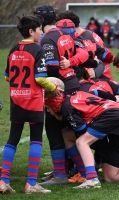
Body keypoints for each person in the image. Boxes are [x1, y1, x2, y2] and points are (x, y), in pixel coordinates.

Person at [0, 15, 63, 194]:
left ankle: (3, 181)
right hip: (33, 101)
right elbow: (40, 78)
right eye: (40, 29)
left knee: (12, 139)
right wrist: (54, 88)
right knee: (36, 139)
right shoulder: (38, 49)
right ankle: (31, 184)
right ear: (31, 31)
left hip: (17, 100)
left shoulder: (13, 49)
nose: (42, 33)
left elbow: (7, 76)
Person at [33, 4, 94, 186]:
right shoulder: (66, 34)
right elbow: (87, 55)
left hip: (59, 88)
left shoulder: (48, 38)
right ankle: (77, 170)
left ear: (41, 21)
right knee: (69, 130)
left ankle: (62, 173)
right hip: (73, 84)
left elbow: (51, 67)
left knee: (54, 129)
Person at [56, 10, 115, 80]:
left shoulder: (84, 39)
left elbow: (105, 57)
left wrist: (94, 70)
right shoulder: (86, 34)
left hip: (100, 79)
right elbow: (108, 55)